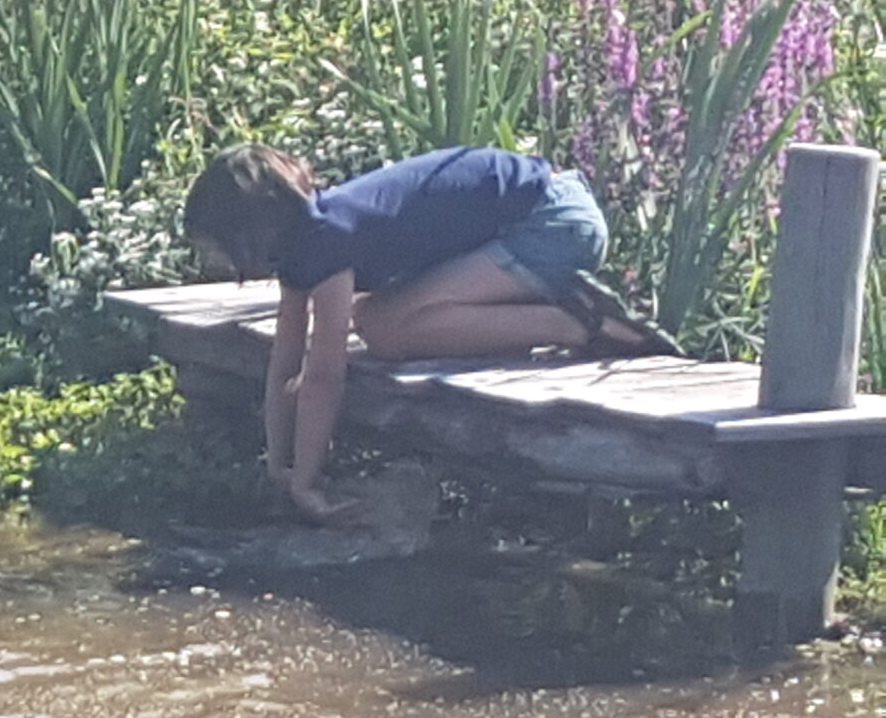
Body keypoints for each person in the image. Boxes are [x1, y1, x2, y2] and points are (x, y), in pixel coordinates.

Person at [181, 144, 678, 524]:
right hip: (541, 216)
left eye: (214, 247)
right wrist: (277, 466)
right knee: (377, 321)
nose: (212, 260)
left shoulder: (324, 241)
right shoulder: (304, 242)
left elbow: (323, 373)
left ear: (249, 231)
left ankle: (579, 323)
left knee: (387, 331)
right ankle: (561, 312)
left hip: (553, 224)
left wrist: (307, 483)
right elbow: (285, 360)